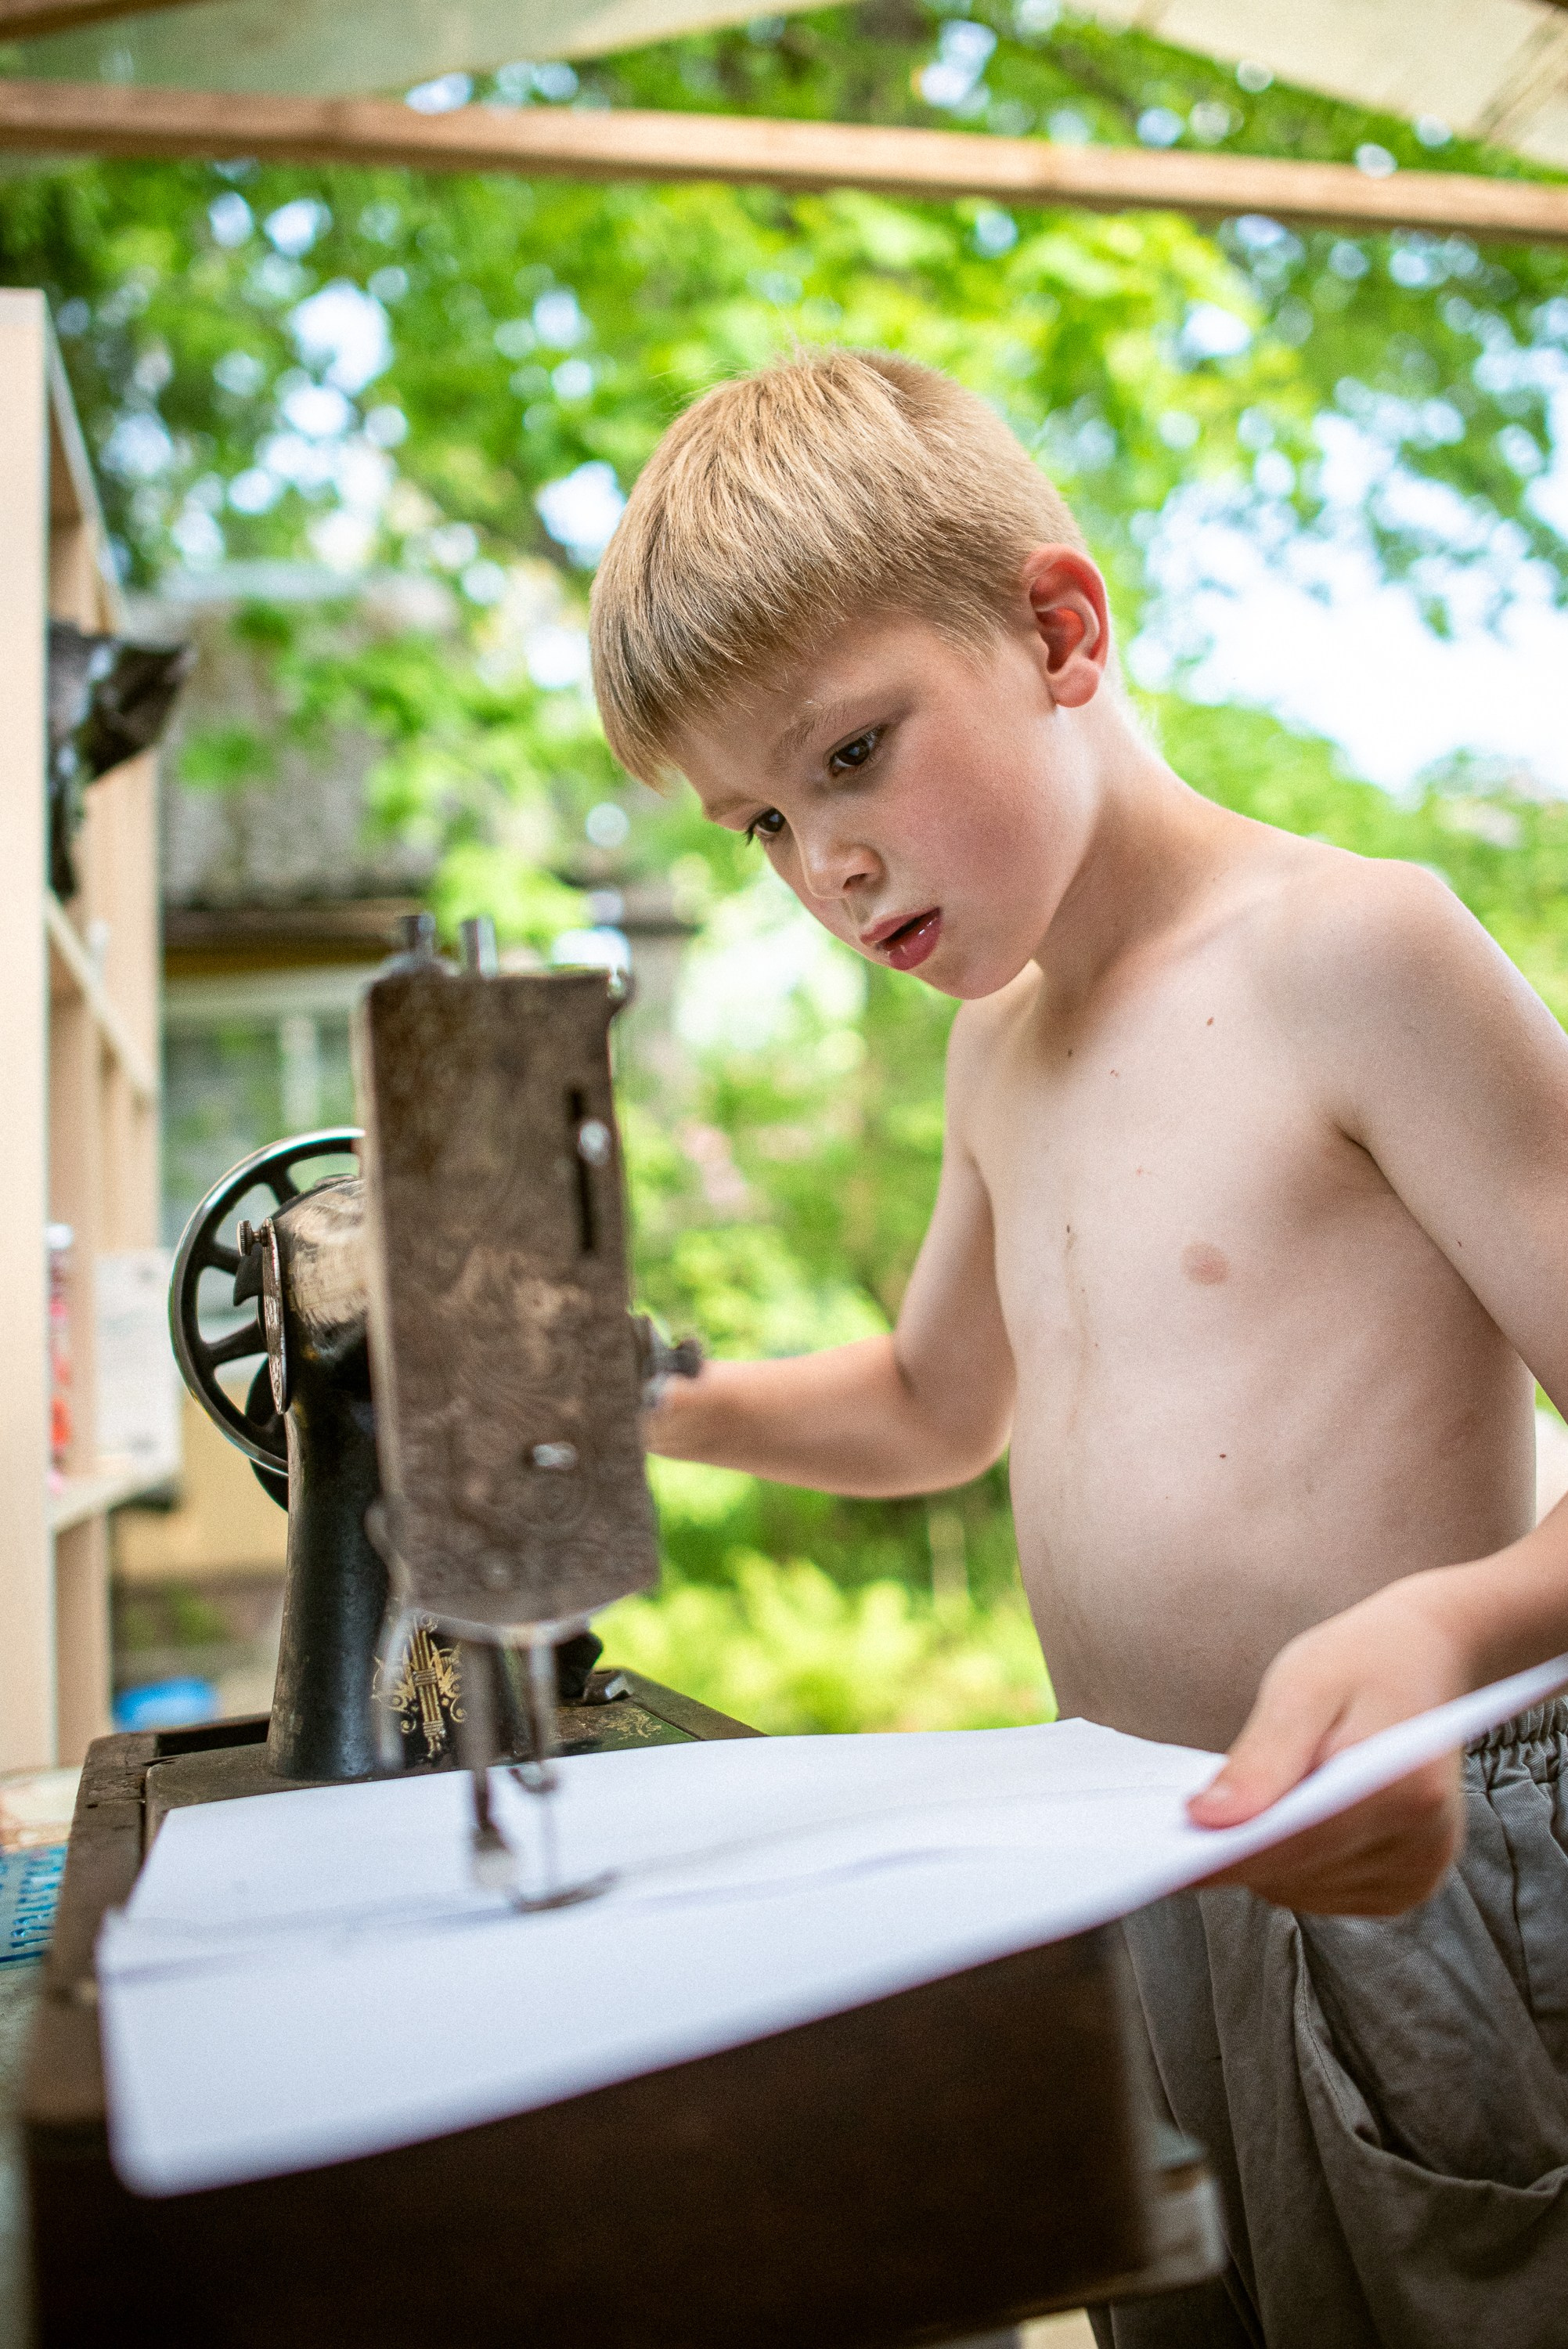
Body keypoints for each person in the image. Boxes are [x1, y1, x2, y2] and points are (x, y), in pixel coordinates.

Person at [589, 347, 1568, 2347]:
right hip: (1130, 1869)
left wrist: (1446, 1639)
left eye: (849, 754)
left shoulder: (1354, 956)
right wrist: (637, 1399)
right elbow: (931, 1407)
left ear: (1057, 630)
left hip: (1417, 1868)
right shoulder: (996, 1055)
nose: (823, 870)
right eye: (760, 823)